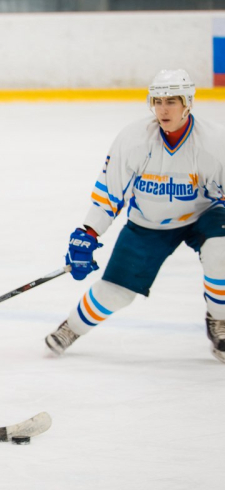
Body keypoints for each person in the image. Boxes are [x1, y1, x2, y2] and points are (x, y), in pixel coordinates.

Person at [45, 69, 225, 362]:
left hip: (203, 213)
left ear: (188, 103)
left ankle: (220, 319)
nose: (163, 110)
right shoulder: (133, 140)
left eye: (171, 102)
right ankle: (72, 328)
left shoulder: (215, 142)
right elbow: (109, 193)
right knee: (116, 292)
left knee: (222, 252)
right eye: (158, 101)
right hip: (148, 223)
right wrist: (88, 234)